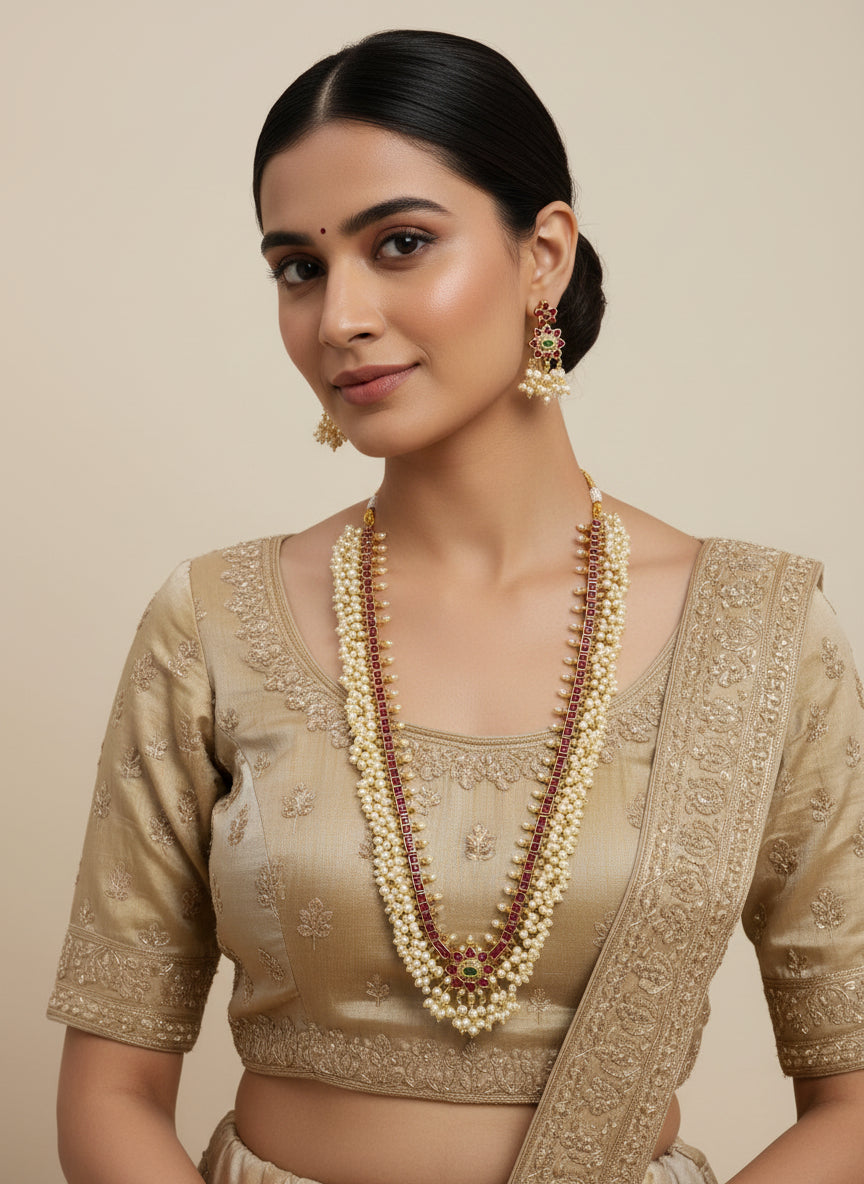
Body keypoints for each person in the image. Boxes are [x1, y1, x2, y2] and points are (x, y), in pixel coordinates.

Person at [48, 29, 864, 1184]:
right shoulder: (215, 622)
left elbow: (856, 1093)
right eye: (299, 266)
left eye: (401, 244)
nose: (339, 316)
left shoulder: (760, 633)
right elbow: (111, 1088)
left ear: (544, 255)